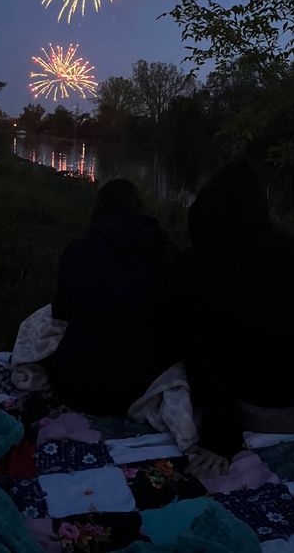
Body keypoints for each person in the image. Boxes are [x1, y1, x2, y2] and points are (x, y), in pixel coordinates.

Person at [179, 161, 294, 477]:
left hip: (267, 411)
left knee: (191, 347)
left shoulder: (198, 265)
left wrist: (219, 438)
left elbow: (201, 351)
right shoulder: (292, 251)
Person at [45, 178, 177, 415]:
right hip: (140, 387)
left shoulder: (78, 249)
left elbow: (61, 312)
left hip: (74, 385)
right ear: (139, 207)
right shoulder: (164, 249)